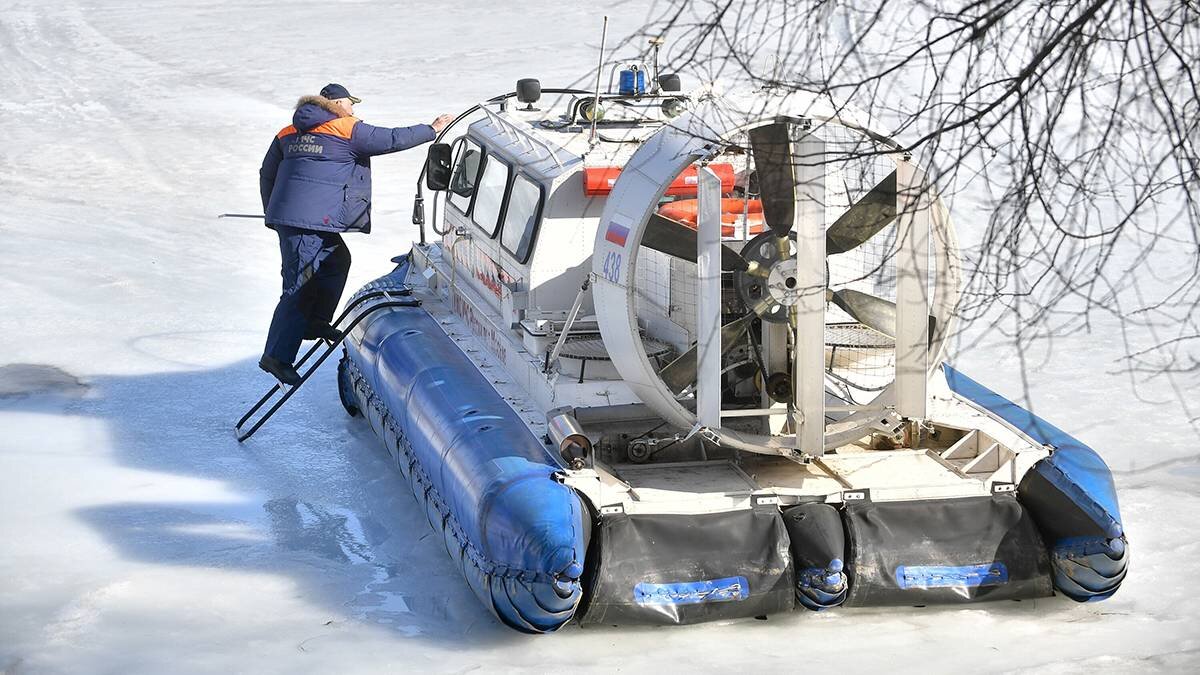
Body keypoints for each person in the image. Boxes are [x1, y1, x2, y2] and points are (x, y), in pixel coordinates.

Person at [258, 83, 454, 385]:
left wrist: (274, 211)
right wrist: (432, 129)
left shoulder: (288, 132)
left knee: (337, 261)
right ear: (336, 103)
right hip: (305, 222)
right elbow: (390, 139)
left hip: (303, 219)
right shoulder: (346, 128)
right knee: (300, 284)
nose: (354, 109)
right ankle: (276, 356)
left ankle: (314, 322)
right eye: (351, 103)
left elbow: (267, 173)